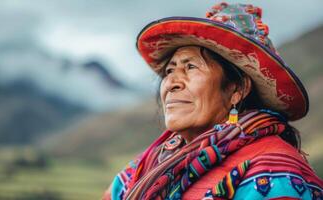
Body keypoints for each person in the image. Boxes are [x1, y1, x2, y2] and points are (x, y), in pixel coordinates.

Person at [103, 2, 323, 200]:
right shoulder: (148, 165)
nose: (172, 83)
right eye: (169, 71)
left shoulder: (273, 171)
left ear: (237, 88)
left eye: (191, 67)